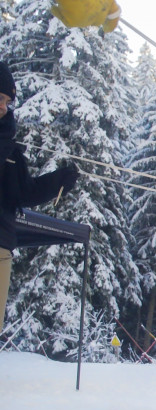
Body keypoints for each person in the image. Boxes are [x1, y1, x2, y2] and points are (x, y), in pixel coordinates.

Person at [0, 61, 79, 332]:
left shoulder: (9, 147)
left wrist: (57, 182)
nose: (3, 106)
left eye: (7, 102)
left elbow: (22, 193)